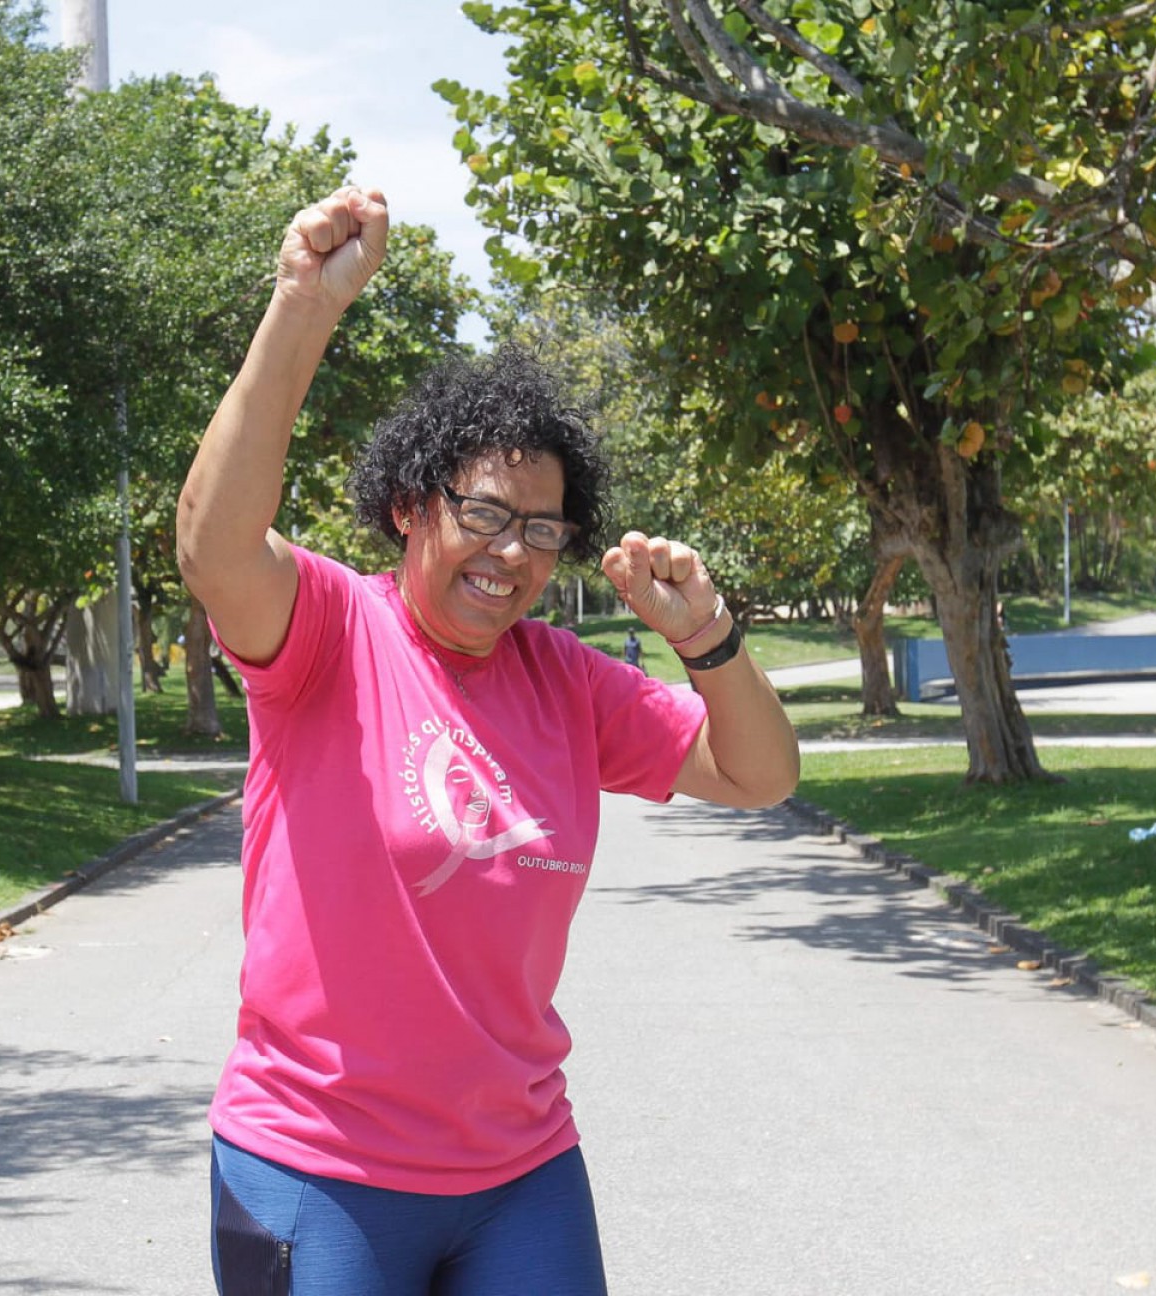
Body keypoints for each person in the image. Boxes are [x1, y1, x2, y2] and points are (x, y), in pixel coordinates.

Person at [177, 186, 800, 1296]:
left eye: (542, 530)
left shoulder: (567, 680)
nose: (512, 553)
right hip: (320, 1168)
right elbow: (214, 545)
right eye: (485, 515)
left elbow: (760, 774)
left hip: (520, 1174)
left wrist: (706, 636)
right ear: (410, 507)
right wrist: (302, 307)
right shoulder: (327, 631)